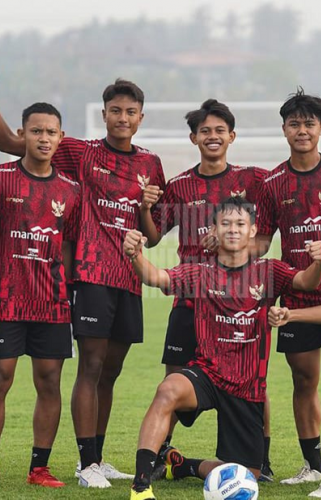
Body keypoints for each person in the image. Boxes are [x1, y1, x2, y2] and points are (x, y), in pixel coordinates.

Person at [0, 66, 165, 488]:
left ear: (141, 117)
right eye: (115, 110)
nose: (122, 118)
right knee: (90, 366)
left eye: (131, 112)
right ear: (104, 113)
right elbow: (10, 143)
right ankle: (85, 463)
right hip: (90, 276)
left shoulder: (151, 163)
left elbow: (152, 237)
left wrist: (147, 208)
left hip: (128, 279)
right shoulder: (80, 152)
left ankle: (97, 456)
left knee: (110, 372)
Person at [125, 196, 321, 500]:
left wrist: (319, 263)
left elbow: (306, 283)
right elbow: (157, 277)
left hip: (247, 387)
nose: (233, 229)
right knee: (168, 389)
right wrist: (136, 254)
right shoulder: (199, 272)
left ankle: (182, 466)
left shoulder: (270, 272)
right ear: (215, 229)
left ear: (253, 230)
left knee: (246, 475)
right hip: (208, 374)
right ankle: (140, 486)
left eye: (240, 223)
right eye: (226, 223)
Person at [138, 99, 273, 480]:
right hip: (190, 299)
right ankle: (160, 456)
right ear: (193, 137)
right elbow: (152, 238)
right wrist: (144, 209)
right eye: (205, 131)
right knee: (174, 383)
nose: (212, 137)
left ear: (232, 136)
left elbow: (266, 230)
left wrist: (242, 250)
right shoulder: (181, 185)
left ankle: (259, 462)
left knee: (252, 380)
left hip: (239, 303)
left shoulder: (254, 180)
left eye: (219, 130)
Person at [0, 103, 80, 491]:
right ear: (23, 134)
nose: (44, 138)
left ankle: (40, 467)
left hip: (51, 303)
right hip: (6, 301)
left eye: (51, 132)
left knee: (50, 381)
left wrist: (63, 290)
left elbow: (67, 246)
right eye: (36, 132)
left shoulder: (71, 191)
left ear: (60, 138)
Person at [255, 88, 321, 490]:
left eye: (309, 123)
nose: (302, 130)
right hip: (298, 293)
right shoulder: (273, 183)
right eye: (295, 123)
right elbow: (262, 242)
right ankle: (313, 465)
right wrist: (229, 241)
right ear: (283, 130)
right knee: (303, 380)